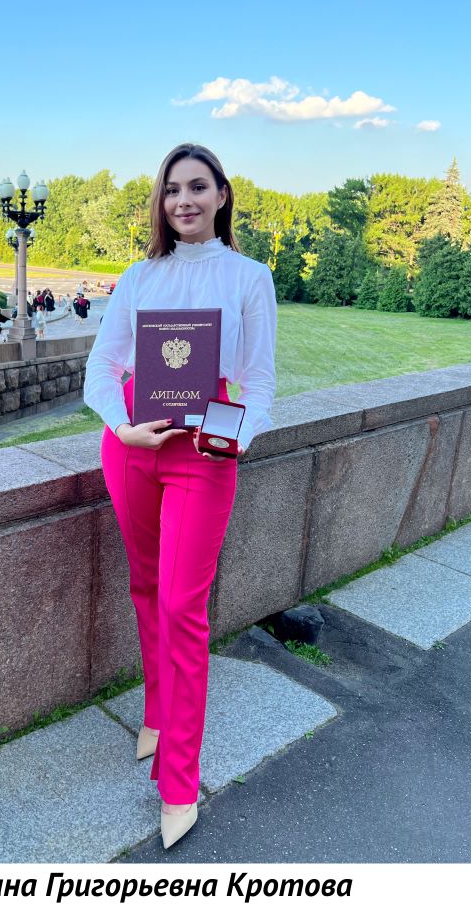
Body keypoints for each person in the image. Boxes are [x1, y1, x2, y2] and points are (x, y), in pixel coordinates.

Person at [83, 143, 277, 851]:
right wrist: (121, 427)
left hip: (203, 449)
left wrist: (239, 435)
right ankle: (156, 714)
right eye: (172, 190)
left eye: (197, 187)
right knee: (143, 585)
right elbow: (103, 367)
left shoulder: (250, 277)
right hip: (134, 441)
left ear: (222, 194)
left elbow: (259, 381)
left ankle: (179, 780)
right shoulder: (139, 277)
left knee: (181, 606)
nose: (184, 201)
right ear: (160, 203)